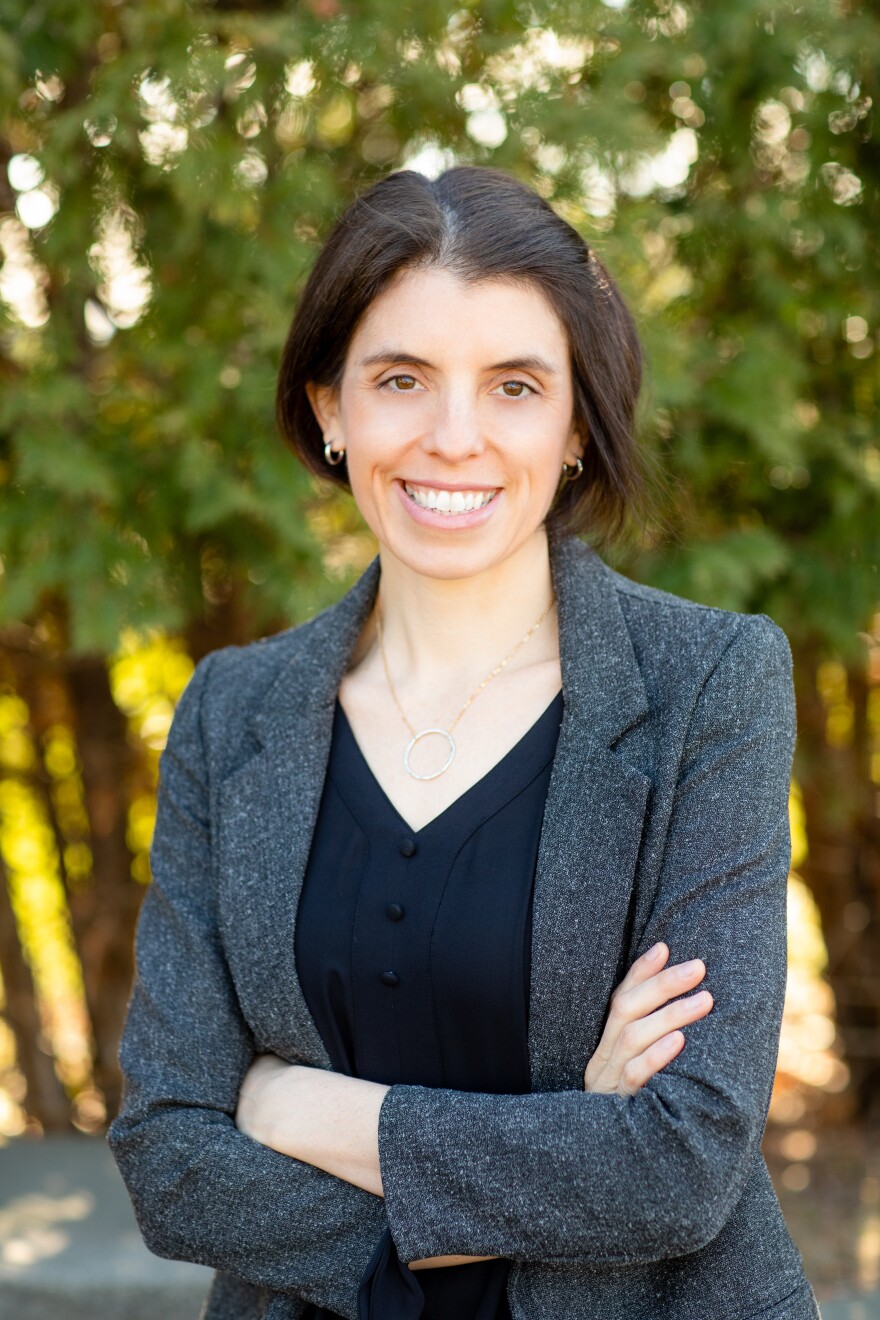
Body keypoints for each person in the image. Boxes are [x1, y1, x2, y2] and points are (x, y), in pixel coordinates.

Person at [108, 166, 820, 1320]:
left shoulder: (711, 684)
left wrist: (309, 1115)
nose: (453, 438)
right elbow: (171, 1160)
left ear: (577, 421)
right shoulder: (230, 713)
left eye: (513, 386)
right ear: (330, 406)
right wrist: (567, 1141)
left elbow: (681, 1165)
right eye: (400, 379)